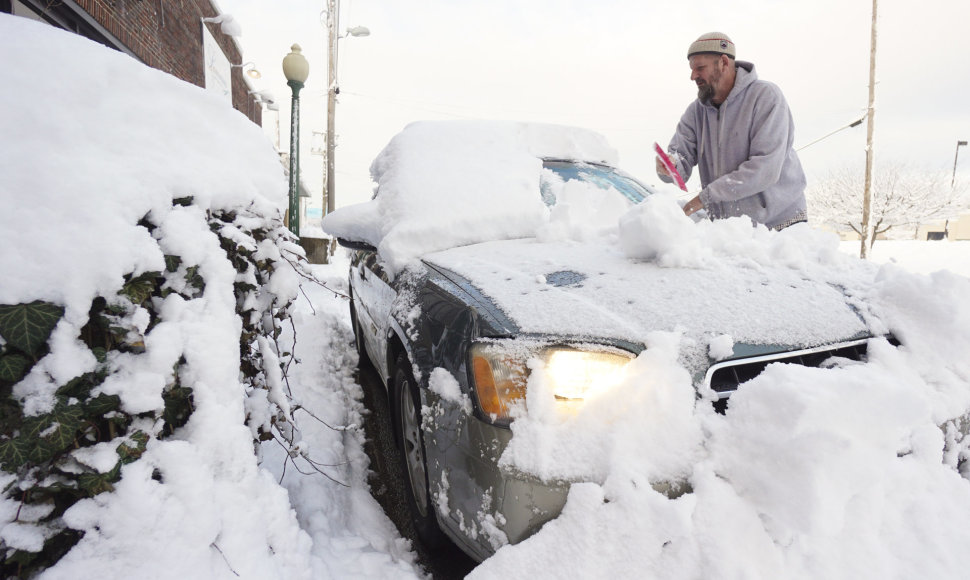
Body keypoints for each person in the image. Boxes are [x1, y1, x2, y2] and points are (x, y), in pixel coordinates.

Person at [658, 32, 808, 230]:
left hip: (779, 226)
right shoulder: (696, 112)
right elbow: (680, 160)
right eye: (692, 69)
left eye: (700, 68)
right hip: (732, 232)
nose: (693, 76)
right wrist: (671, 165)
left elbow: (765, 168)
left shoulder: (765, 97)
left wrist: (707, 197)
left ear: (723, 62)